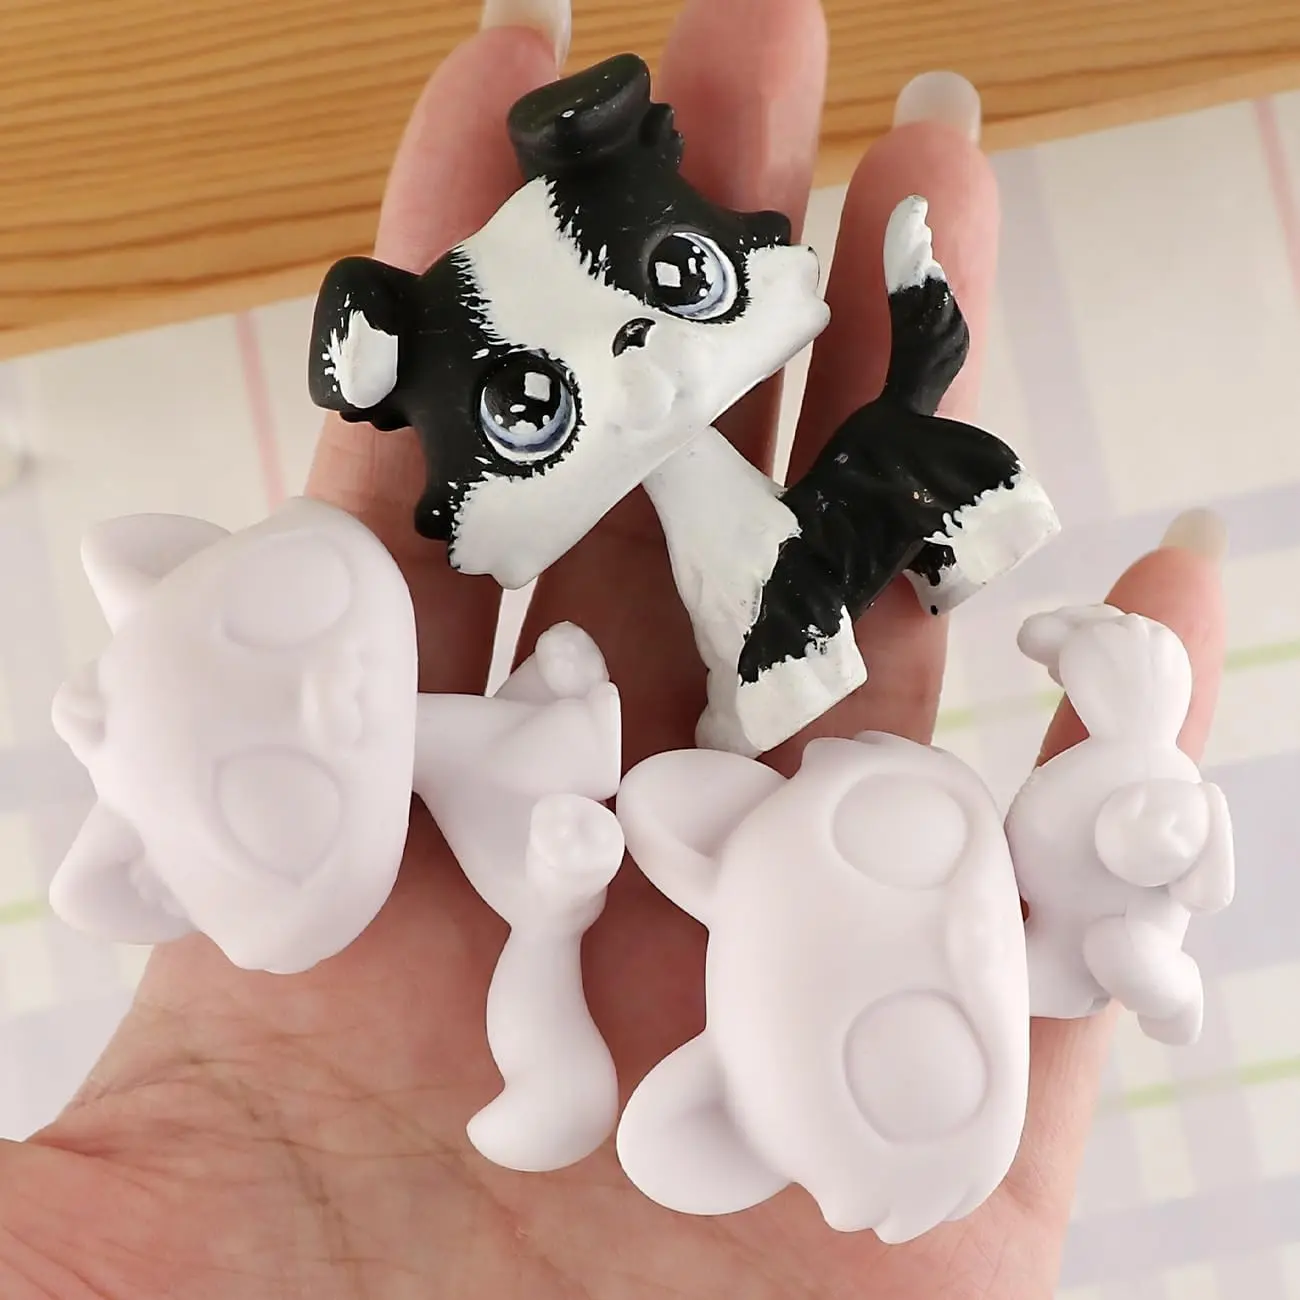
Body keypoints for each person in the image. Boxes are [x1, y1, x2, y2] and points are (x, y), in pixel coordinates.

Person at [0, 1, 1226, 1295]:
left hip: (716, 764)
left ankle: (942, 530)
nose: (645, 374)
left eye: (679, 283)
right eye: (535, 404)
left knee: (894, 482)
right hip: (678, 814)